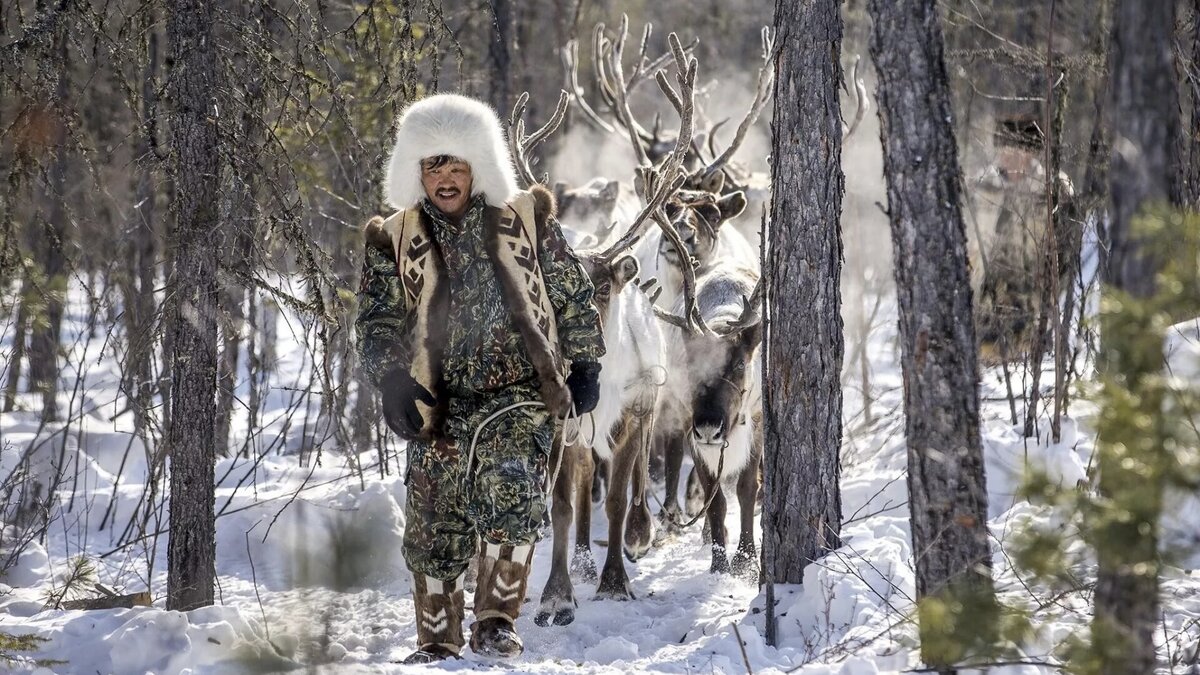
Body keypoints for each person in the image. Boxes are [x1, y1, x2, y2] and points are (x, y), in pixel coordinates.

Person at [355, 93, 604, 663]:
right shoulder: (393, 238)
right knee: (433, 522)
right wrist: (390, 378)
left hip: (517, 392)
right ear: (415, 172)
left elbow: (571, 294)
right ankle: (438, 643)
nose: (445, 175)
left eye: (456, 163)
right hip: (436, 399)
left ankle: (495, 620)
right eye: (432, 164)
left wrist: (586, 361)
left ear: (479, 166)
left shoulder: (524, 219)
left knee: (512, 489)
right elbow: (375, 320)